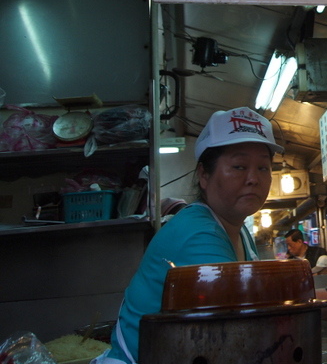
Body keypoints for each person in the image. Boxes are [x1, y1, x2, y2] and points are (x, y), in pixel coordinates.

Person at [94, 107, 282, 364]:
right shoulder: (199, 233)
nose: (253, 178)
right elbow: (241, 328)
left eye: (263, 167)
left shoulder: (239, 232)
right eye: (239, 166)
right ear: (204, 175)